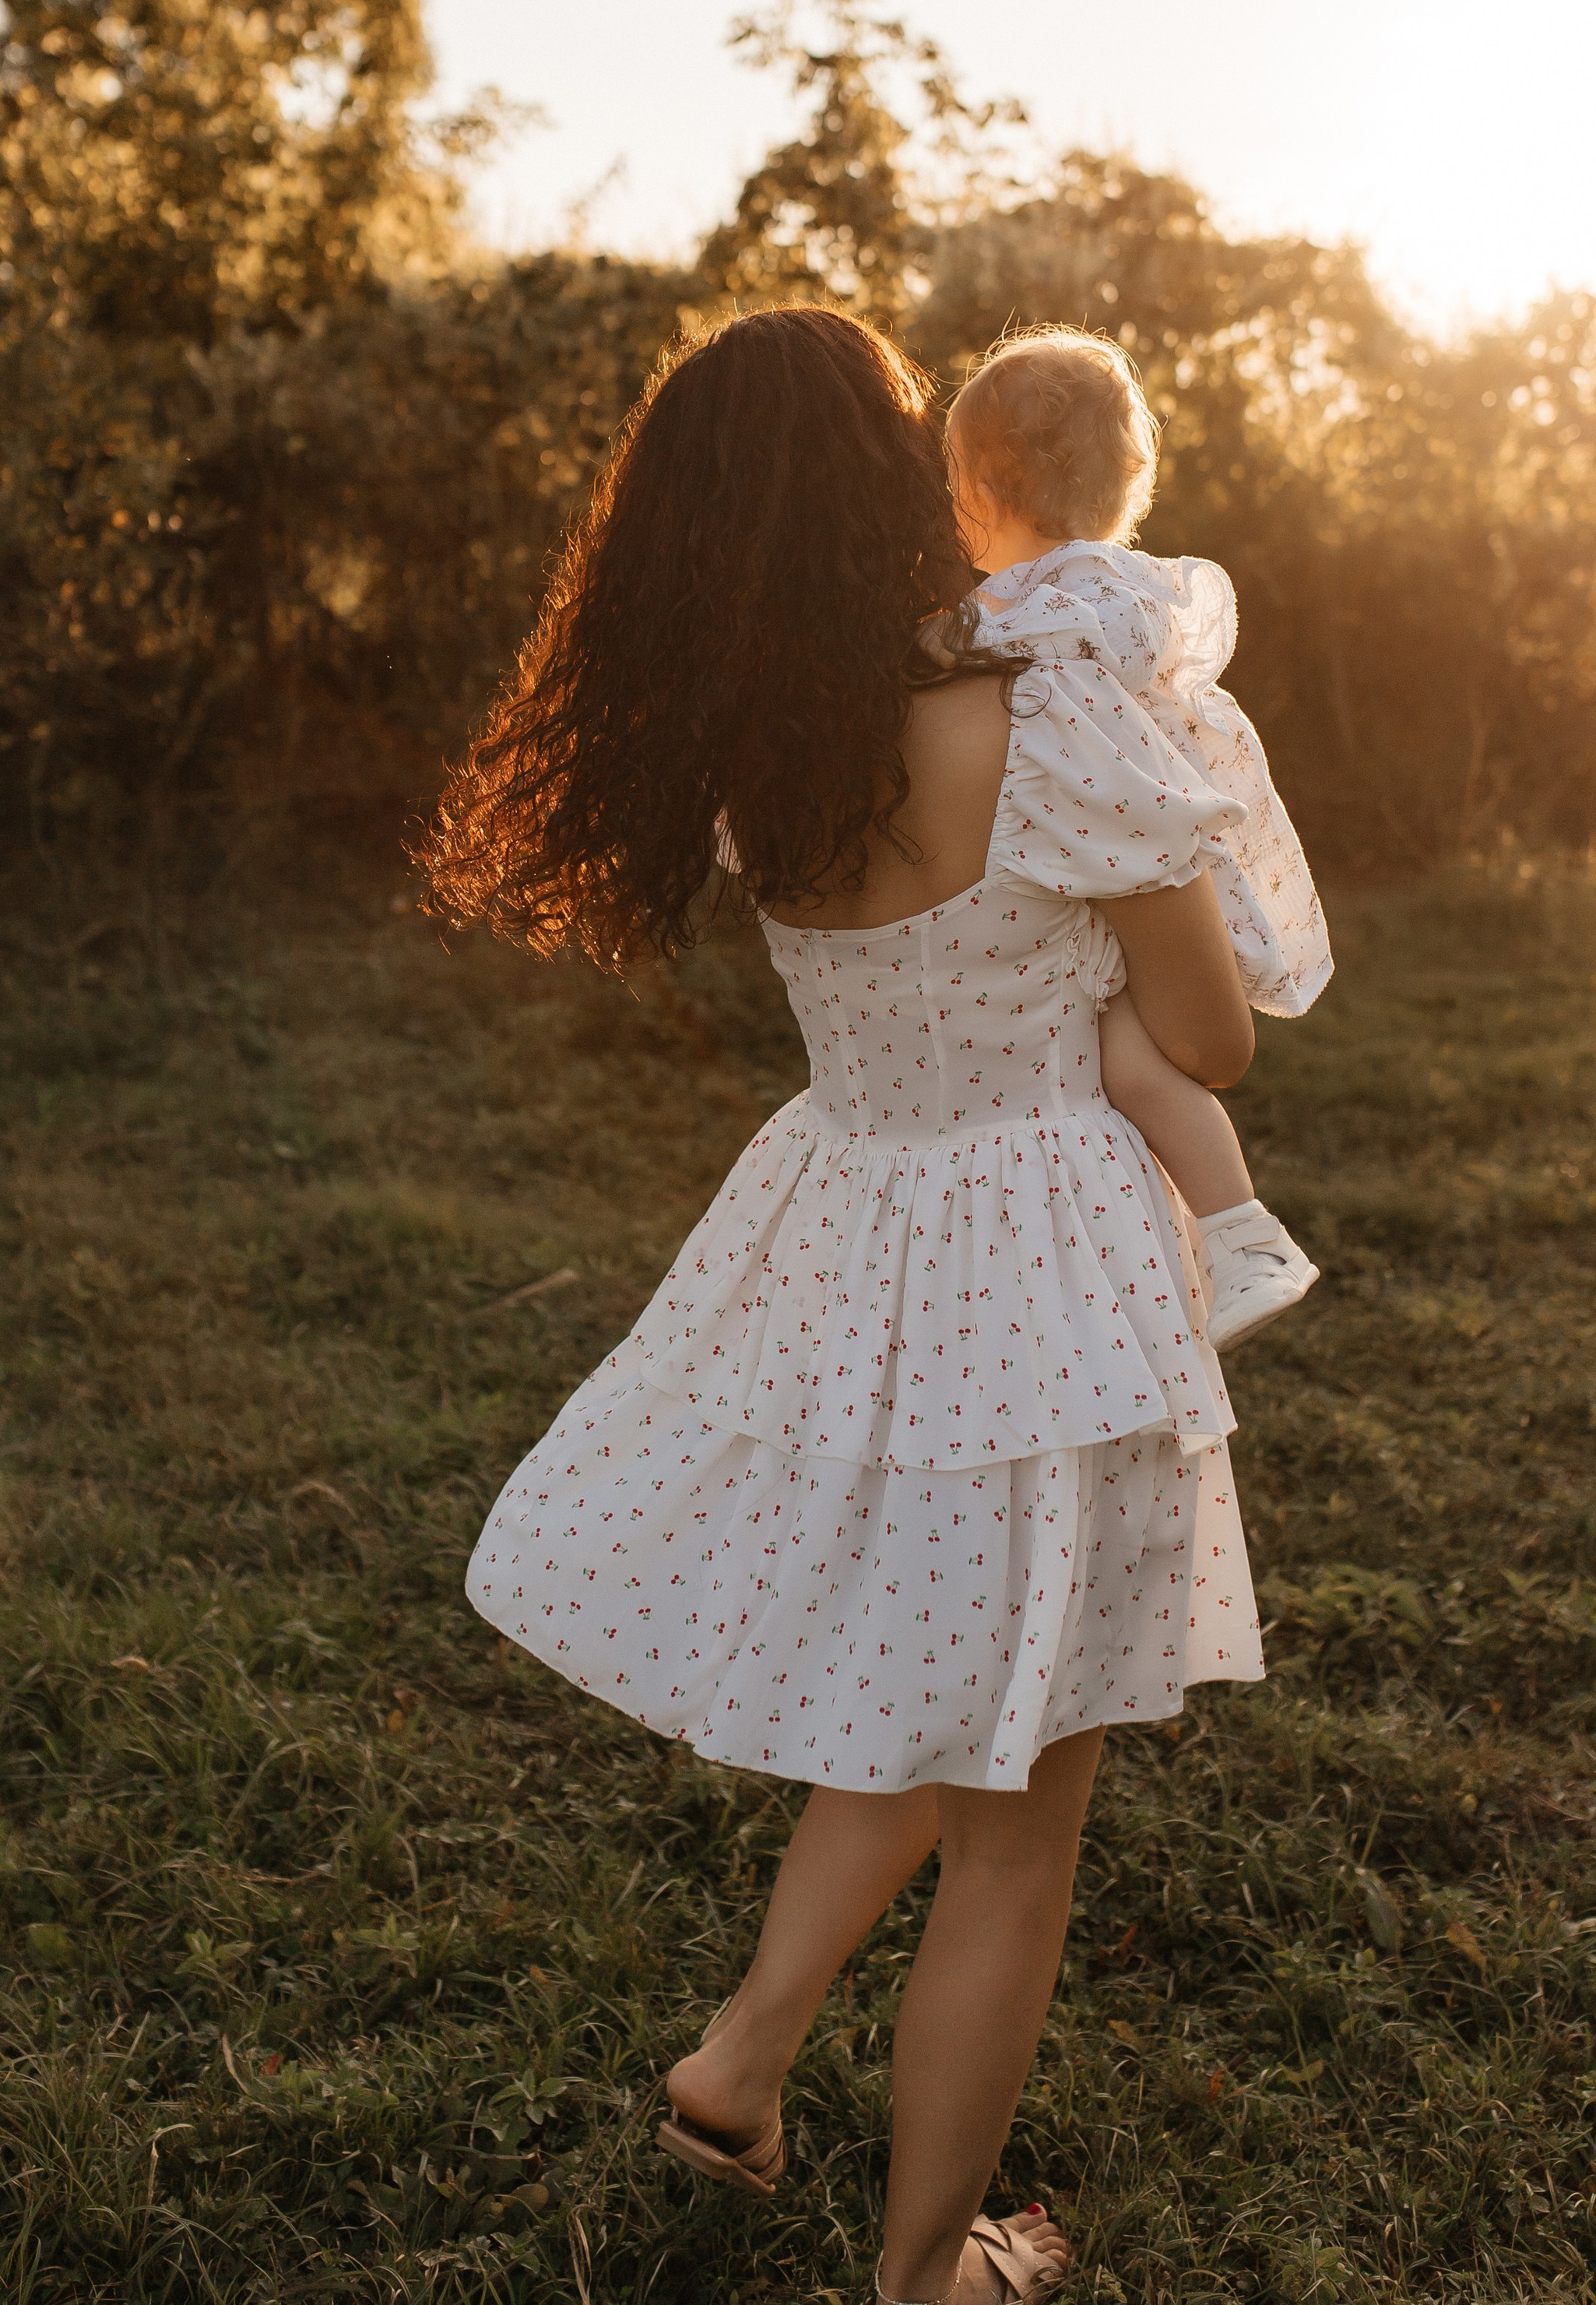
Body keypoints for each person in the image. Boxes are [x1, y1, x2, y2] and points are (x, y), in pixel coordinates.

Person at [424, 305, 1267, 2305]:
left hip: (850, 1246)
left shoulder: (755, 769)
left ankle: (739, 2061)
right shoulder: (1054, 720)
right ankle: (921, 2281)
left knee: (928, 1668)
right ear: (898, 481)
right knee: (1017, 1828)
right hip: (1046, 1263)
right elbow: (1205, 1037)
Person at [946, 326, 1331, 1352]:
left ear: (990, 482)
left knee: (1130, 1060)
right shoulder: (1123, 589)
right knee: (1118, 1058)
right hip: (1118, 849)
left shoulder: (1042, 611)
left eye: (950, 481)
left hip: (1113, 856)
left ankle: (1245, 1235)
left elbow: (1040, 716)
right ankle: (1221, 1233)